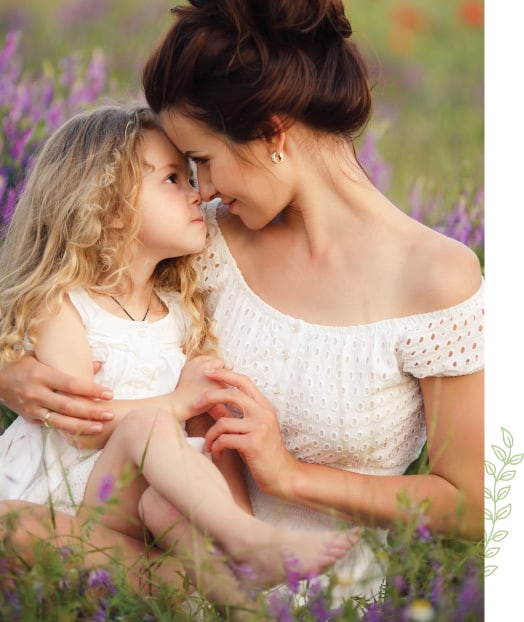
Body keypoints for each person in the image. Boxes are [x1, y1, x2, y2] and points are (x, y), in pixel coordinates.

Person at [0, 0, 484, 605]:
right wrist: (17, 372)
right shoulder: (201, 239)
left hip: (314, 592)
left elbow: (470, 504)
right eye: (182, 172)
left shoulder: (437, 278)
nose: (200, 190)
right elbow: (71, 279)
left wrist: (291, 476)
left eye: (200, 161)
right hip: (150, 553)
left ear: (272, 132)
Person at [0, 104, 356, 610]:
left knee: (163, 501)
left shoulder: (180, 313)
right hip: (79, 502)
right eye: (173, 178)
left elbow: (210, 435)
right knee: (146, 430)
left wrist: (207, 436)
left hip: (141, 520)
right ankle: (241, 547)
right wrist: (175, 402)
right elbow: (79, 425)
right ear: (111, 207)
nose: (198, 192)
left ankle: (236, 588)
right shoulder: (64, 306)